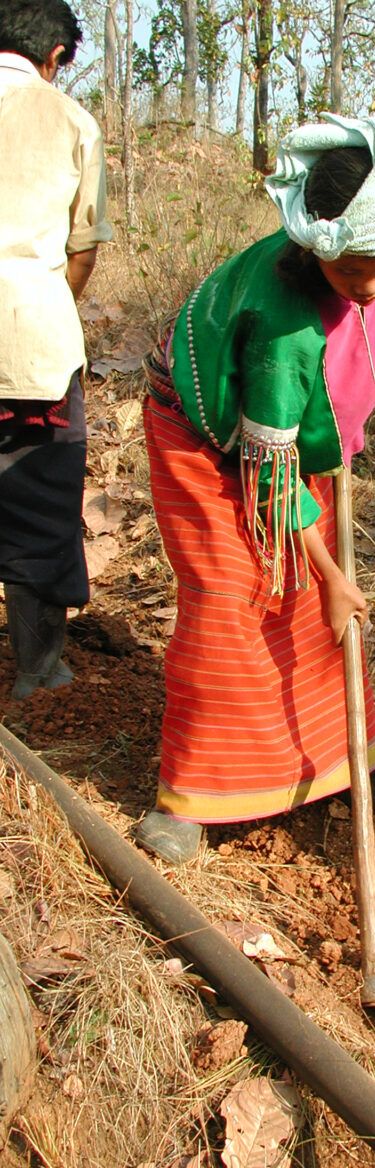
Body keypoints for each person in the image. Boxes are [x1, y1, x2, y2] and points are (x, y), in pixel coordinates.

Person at [136, 113, 375, 865]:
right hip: (205, 434)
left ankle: (358, 765)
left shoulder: (367, 272)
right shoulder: (282, 326)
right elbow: (269, 474)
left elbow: (346, 364)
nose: (372, 288)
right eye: (355, 276)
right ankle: (189, 798)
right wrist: (335, 575)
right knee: (231, 593)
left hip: (279, 429)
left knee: (318, 604)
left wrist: (330, 568)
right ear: (317, 250)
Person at [0, 0, 113, 700]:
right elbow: (82, 249)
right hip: (32, 345)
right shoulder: (72, 121)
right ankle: (37, 674)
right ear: (57, 56)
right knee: (38, 502)